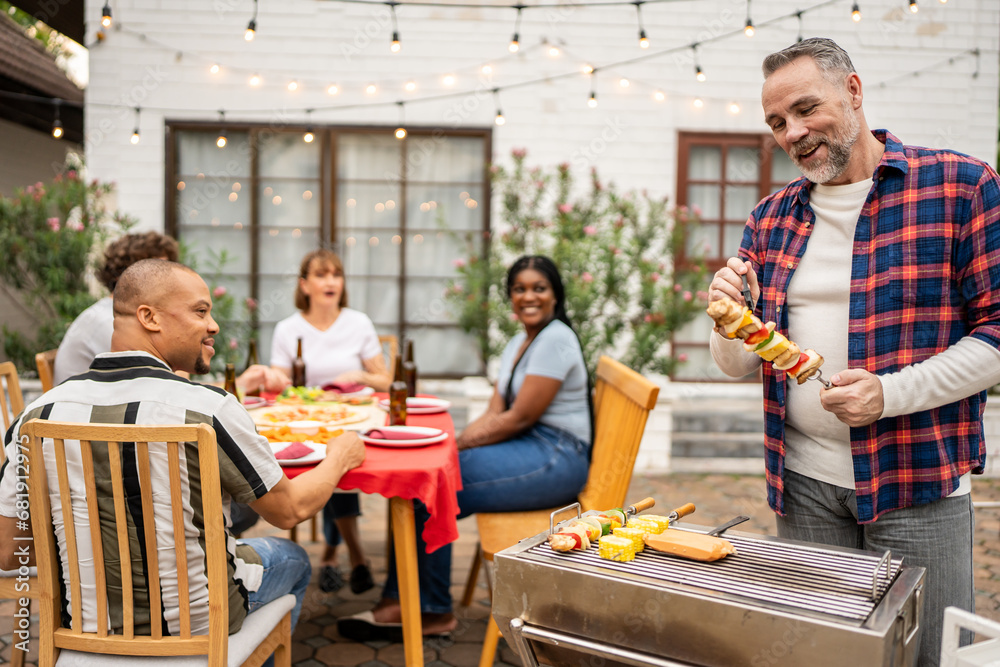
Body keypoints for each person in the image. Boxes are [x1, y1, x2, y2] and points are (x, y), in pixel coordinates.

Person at [707, 38, 1000, 667]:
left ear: (854, 92)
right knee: (822, 655)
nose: (793, 133)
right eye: (777, 123)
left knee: (927, 656)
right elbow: (736, 366)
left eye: (807, 108)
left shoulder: (961, 186)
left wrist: (889, 394)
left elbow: (997, 332)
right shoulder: (770, 218)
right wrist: (727, 315)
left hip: (917, 479)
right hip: (805, 483)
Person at [0, 259, 366, 644]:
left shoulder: (37, 414)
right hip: (198, 622)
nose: (214, 326)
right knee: (294, 558)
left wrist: (97, 548)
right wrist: (340, 456)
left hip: (86, 622)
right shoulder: (208, 408)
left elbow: (10, 553)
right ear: (149, 317)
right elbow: (289, 511)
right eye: (200, 311)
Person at [339, 254, 592, 640]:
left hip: (556, 456)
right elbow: (495, 412)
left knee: (429, 485)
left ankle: (429, 610)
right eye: (519, 289)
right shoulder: (521, 340)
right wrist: (453, 450)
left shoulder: (556, 337)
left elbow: (517, 418)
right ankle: (404, 599)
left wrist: (454, 446)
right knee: (429, 475)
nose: (528, 297)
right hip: (530, 444)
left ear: (555, 295)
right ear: (510, 296)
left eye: (539, 288)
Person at [52, 231, 288, 535]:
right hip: (115, 462)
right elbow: (176, 393)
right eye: (161, 273)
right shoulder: (115, 325)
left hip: (110, 453)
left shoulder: (37, 413)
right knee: (246, 506)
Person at [270, 249, 390, 595]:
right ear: (304, 285)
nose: (331, 282)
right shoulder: (287, 329)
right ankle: (351, 555)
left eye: (336, 274)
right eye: (321, 275)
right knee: (333, 462)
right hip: (303, 422)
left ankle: (333, 555)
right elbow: (279, 382)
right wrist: (270, 377)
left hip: (349, 417)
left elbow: (387, 381)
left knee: (336, 458)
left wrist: (361, 375)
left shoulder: (358, 322)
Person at [54, 231, 290, 396]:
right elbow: (177, 389)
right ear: (131, 275)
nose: (166, 278)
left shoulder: (109, 315)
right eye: (155, 271)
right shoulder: (113, 323)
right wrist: (237, 385)